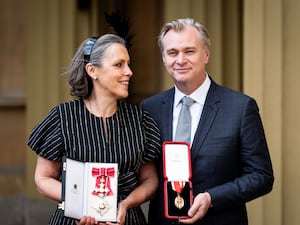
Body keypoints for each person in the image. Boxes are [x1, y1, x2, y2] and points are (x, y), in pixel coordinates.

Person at [141, 18, 274, 225]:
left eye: (189, 51)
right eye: (173, 52)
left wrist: (211, 198)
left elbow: (261, 176)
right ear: (164, 59)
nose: (180, 59)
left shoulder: (240, 107)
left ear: (206, 54)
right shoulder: (150, 109)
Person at [28, 34, 161, 225]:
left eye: (128, 64)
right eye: (119, 64)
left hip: (127, 220)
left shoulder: (140, 119)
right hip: (76, 220)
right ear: (92, 70)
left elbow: (150, 180)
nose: (129, 71)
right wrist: (83, 205)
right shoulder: (62, 118)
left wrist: (125, 205)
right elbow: (43, 178)